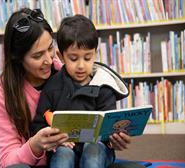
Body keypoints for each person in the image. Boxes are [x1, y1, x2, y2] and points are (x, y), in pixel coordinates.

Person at [31, 15, 133, 168]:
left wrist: (114, 138)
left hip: (97, 148)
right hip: (63, 148)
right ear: (61, 56)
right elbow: (38, 124)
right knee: (63, 157)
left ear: (95, 54)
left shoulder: (104, 86)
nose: (81, 65)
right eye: (73, 58)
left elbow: (109, 128)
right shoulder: (52, 86)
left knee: (93, 151)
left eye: (87, 58)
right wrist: (54, 138)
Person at [0, 8, 69, 168]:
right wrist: (35, 145)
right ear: (17, 58)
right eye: (37, 56)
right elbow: (7, 161)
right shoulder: (0, 92)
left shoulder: (63, 73)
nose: (49, 60)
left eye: (50, 48)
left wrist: (110, 138)